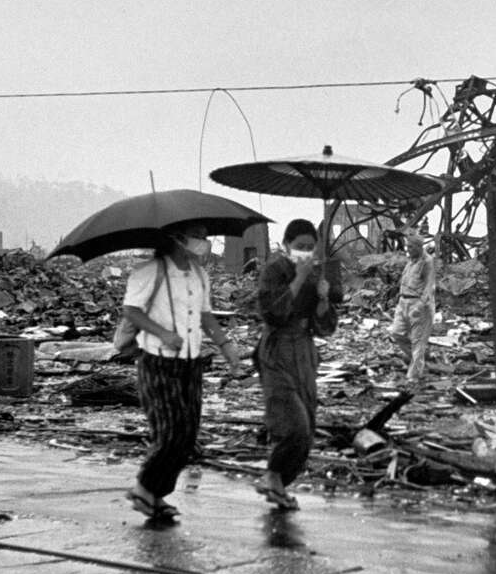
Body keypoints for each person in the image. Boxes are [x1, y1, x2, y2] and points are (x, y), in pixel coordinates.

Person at [122, 222, 240, 521]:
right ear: (178, 239)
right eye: (198, 237)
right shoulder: (150, 270)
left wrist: (225, 345)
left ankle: (157, 495)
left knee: (187, 436)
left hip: (191, 362)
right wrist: (162, 333)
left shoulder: (199, 274)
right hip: (158, 361)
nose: (204, 243)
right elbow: (131, 310)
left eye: (205, 237)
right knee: (170, 430)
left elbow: (205, 314)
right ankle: (144, 488)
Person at [254, 218, 338, 510]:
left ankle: (278, 480)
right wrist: (299, 279)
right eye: (300, 246)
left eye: (310, 247)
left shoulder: (317, 275)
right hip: (278, 351)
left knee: (309, 424)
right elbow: (272, 313)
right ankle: (273, 475)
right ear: (287, 244)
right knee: (292, 421)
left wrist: (324, 300)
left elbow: (325, 328)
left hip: (304, 352)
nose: (305, 252)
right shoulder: (273, 271)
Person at [389, 232, 437, 385]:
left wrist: (421, 304)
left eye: (410, 246)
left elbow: (430, 286)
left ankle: (413, 377)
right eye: (407, 245)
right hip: (403, 303)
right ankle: (419, 360)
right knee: (396, 333)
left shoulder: (427, 262)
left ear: (418, 246)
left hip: (419, 305)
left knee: (418, 342)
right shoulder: (410, 261)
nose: (407, 249)